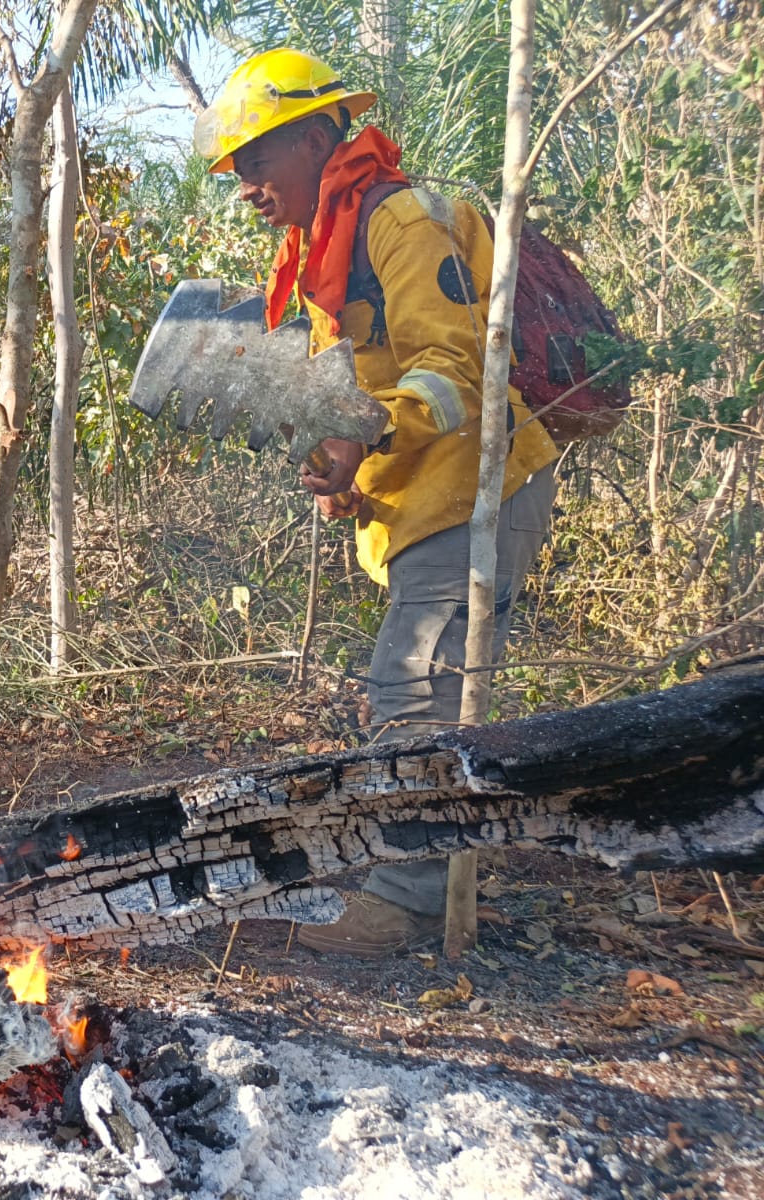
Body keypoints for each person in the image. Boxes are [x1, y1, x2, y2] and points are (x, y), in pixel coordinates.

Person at [194, 50, 559, 956]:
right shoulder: (324, 254)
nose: (244, 185)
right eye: (236, 168)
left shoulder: (397, 220)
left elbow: (456, 372)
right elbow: (366, 398)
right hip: (425, 500)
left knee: (415, 686)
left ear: (319, 137)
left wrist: (371, 434)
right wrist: (349, 467)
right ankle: (429, 880)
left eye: (256, 159)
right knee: (416, 690)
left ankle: (402, 908)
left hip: (479, 486)